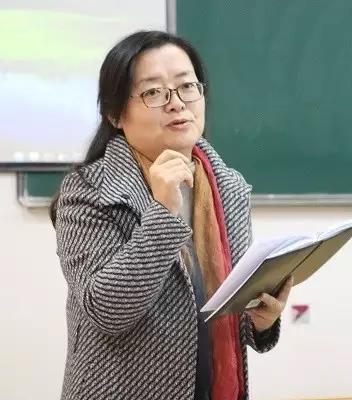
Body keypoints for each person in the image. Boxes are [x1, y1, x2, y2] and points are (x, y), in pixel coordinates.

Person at [49, 30, 292, 400]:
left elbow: (225, 307)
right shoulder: (89, 191)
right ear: (115, 113)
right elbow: (107, 311)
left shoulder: (227, 186)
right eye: (153, 92)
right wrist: (163, 212)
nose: (177, 103)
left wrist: (260, 322)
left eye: (187, 86)